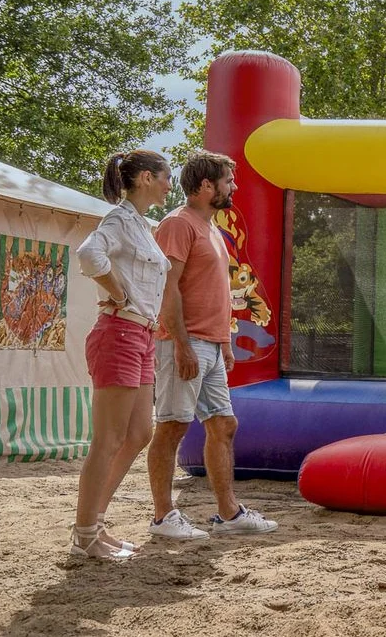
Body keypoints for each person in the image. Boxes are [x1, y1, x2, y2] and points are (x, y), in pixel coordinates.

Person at [145, 151, 278, 539]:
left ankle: (229, 513)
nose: (234, 187)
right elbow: (168, 289)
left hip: (210, 346)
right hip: (182, 344)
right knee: (172, 426)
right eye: (228, 181)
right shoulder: (177, 224)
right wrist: (182, 344)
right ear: (206, 186)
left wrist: (224, 342)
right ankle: (163, 517)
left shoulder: (214, 231)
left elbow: (212, 293)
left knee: (224, 424)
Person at [72, 150, 174, 559]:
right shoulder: (118, 218)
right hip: (118, 332)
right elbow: (87, 254)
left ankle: (94, 522)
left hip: (141, 334)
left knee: (138, 434)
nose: (170, 184)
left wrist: (150, 314)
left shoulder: (142, 226)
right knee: (110, 438)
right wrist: (120, 295)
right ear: (146, 178)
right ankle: (85, 534)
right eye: (167, 176)